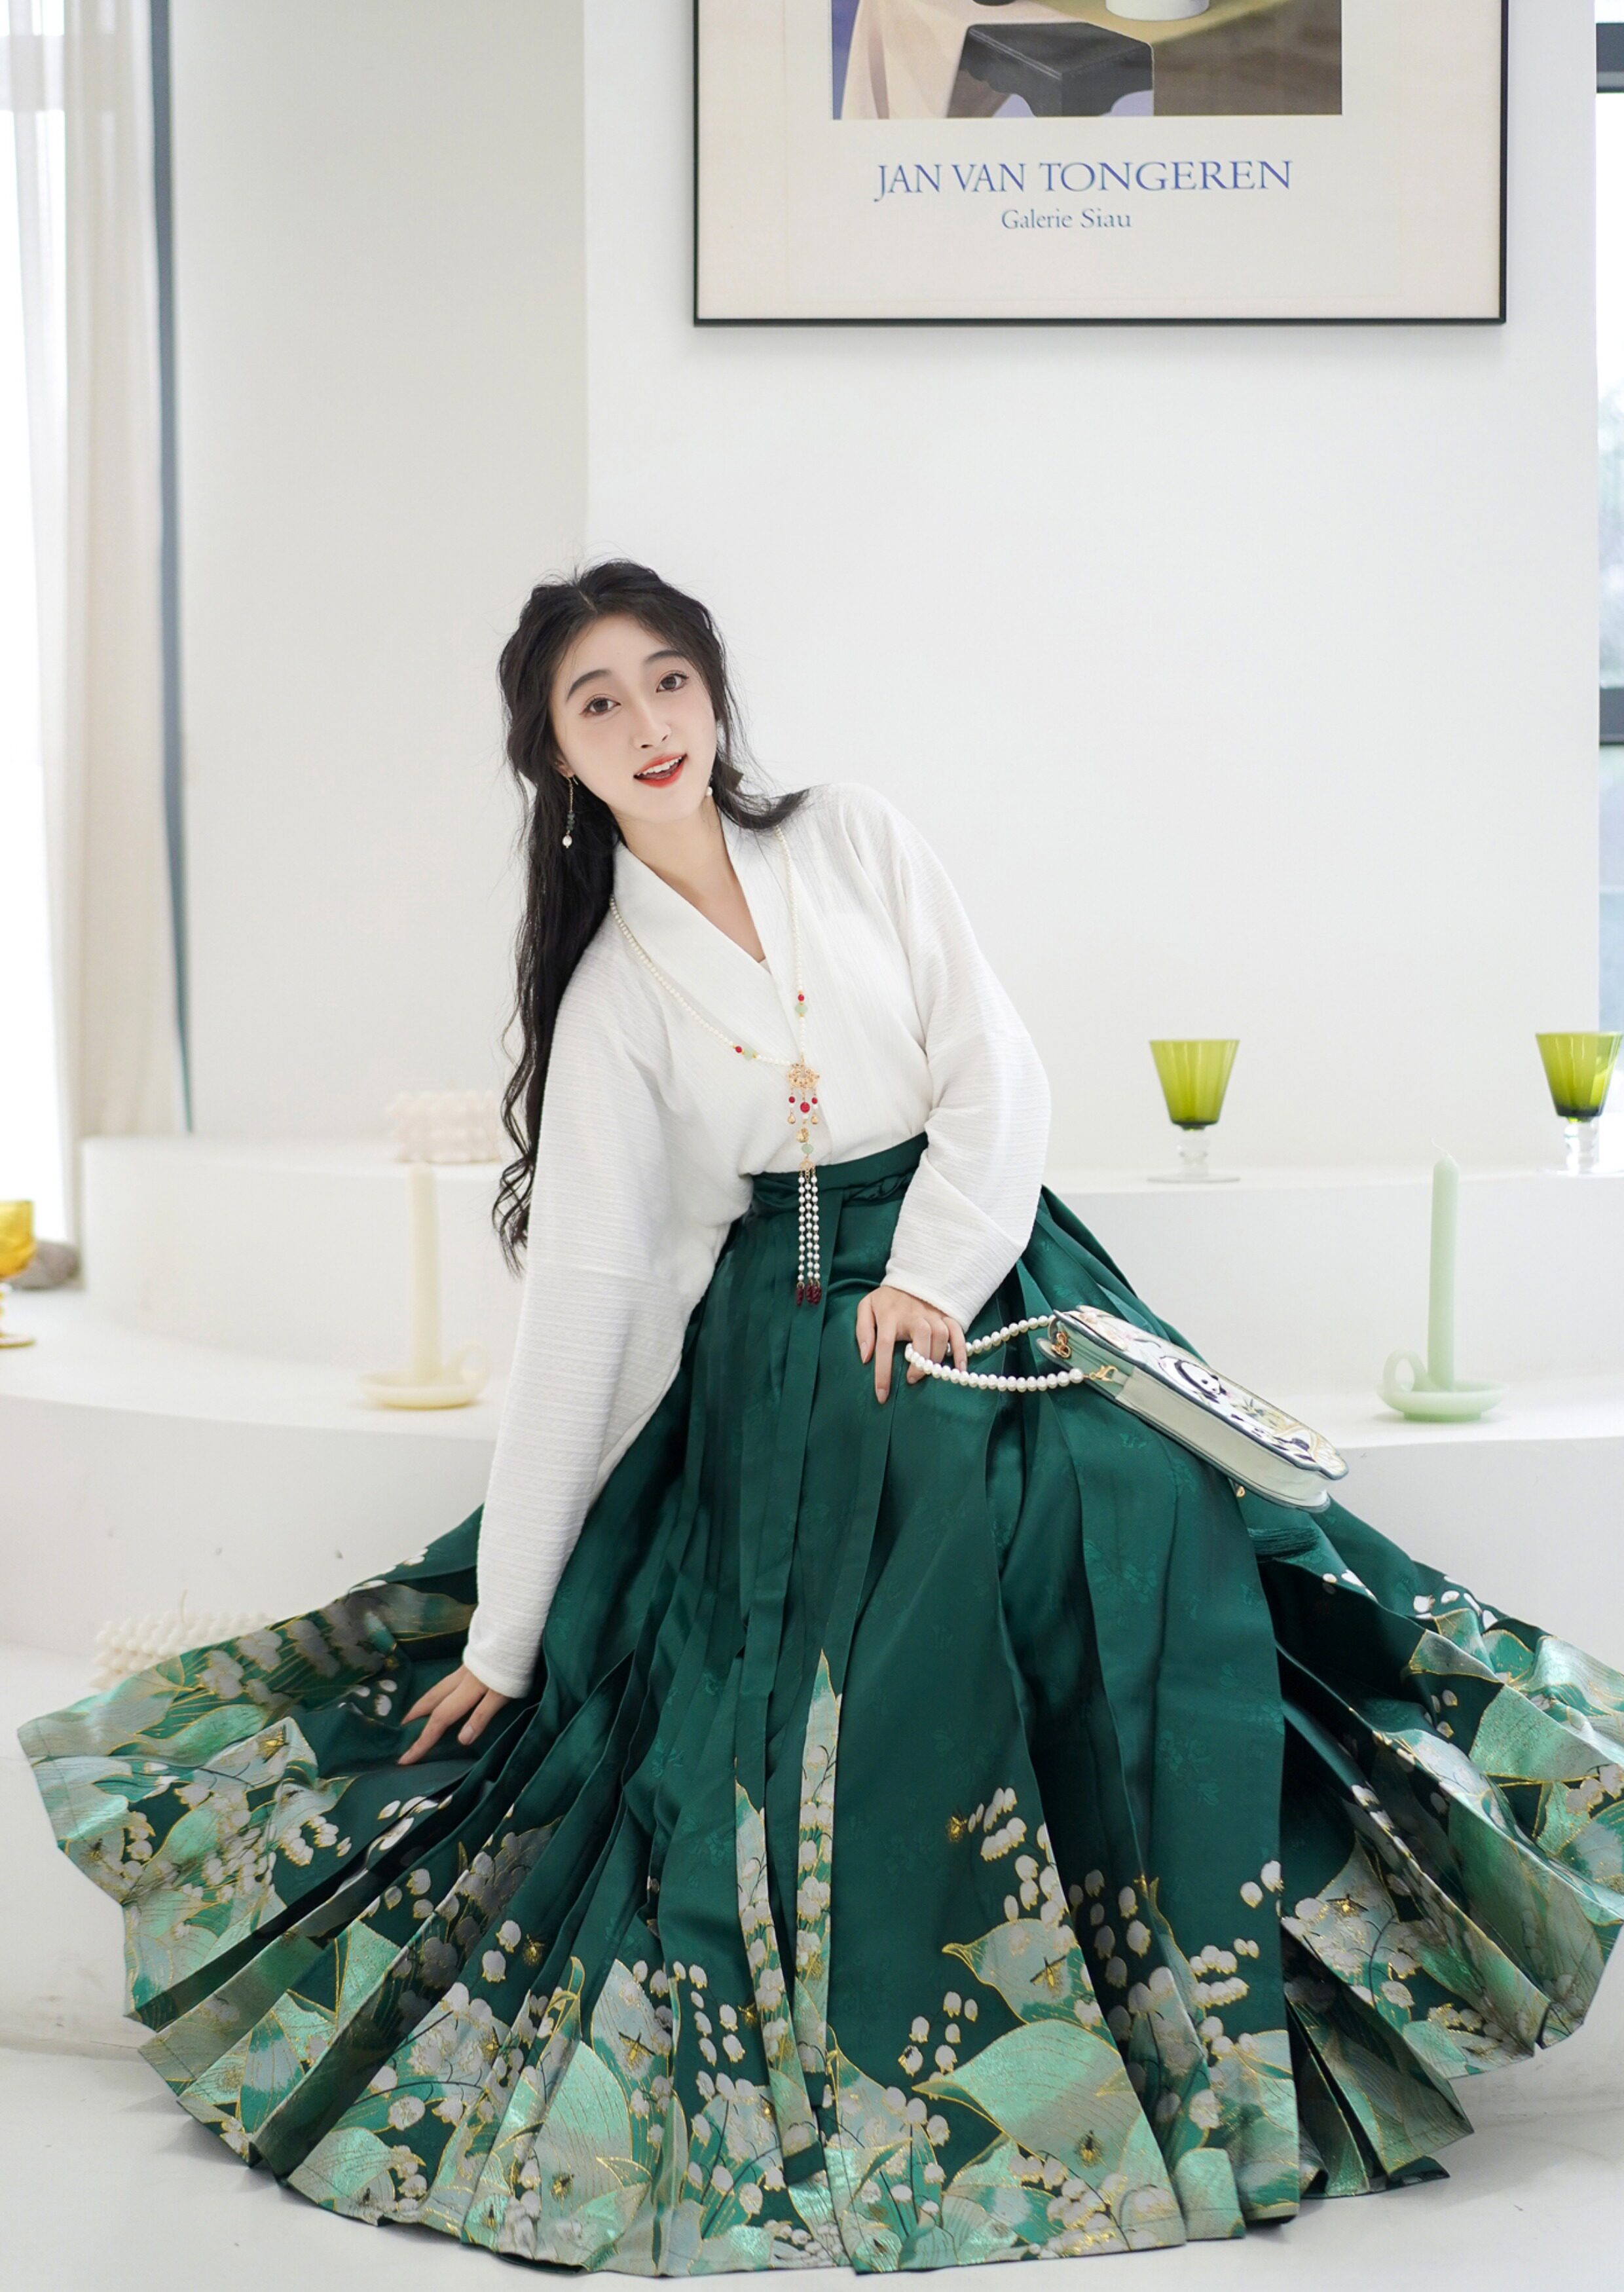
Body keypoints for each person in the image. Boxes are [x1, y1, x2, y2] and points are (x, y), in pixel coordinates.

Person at [20, 560, 1624, 2274]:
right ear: (553, 753)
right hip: (793, 1337)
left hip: (991, 1258)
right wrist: (507, 1627)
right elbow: (596, 1301)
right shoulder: (615, 996)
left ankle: (1219, 1997)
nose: (648, 724)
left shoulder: (852, 837)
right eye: (597, 703)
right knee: (930, 1546)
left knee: (1131, 1493)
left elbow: (993, 1066)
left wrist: (931, 1272)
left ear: (714, 692)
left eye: (668, 680)